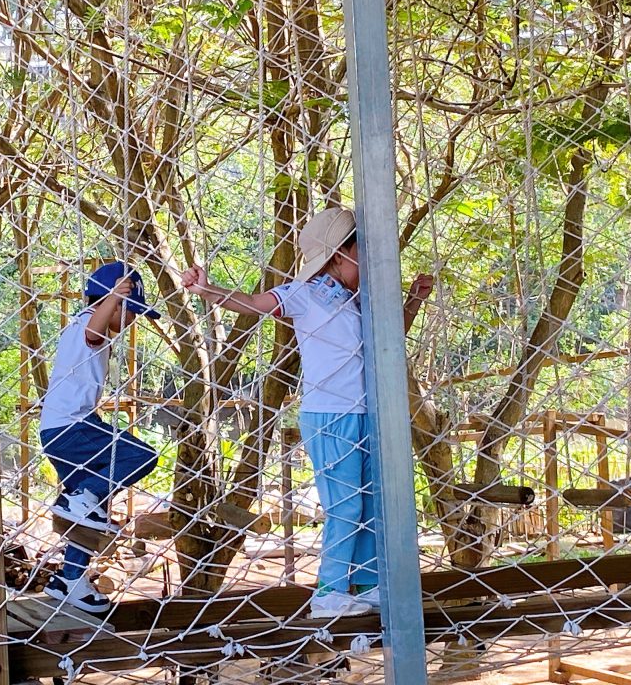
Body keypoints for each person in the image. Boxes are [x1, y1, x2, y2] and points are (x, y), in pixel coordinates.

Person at [182, 207, 432, 619]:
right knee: (346, 506)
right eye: (359, 251)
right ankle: (330, 591)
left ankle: (368, 585)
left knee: (371, 502)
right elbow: (250, 304)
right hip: (329, 415)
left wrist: (414, 301)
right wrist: (208, 290)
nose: (367, 260)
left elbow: (388, 337)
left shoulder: (357, 301)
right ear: (336, 255)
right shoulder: (302, 293)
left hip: (367, 414)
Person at [38, 261, 160, 613]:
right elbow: (94, 330)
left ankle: (70, 579)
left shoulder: (88, 328)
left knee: (92, 509)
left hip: (63, 428)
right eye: (130, 312)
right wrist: (113, 298)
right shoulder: (87, 327)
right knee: (141, 456)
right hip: (70, 428)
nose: (132, 321)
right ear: (110, 303)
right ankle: (77, 498)